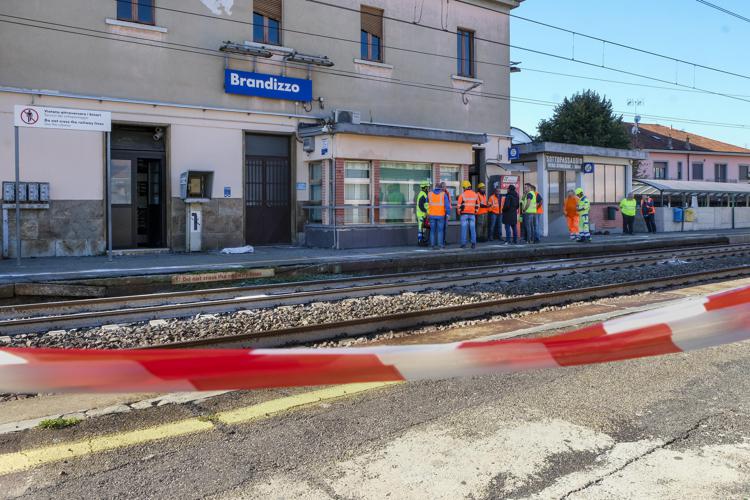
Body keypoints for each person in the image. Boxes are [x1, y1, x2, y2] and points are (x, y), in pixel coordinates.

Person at [457, 180, 479, 249]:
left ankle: (463, 244)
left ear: (464, 187)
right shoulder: (475, 194)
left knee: (464, 229)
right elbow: (478, 205)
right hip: (472, 214)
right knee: (473, 229)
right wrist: (476, 211)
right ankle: (473, 244)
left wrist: (459, 212)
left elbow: (458, 206)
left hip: (464, 214)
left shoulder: (462, 195)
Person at [427, 183, 447, 249]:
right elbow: (447, 205)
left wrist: (427, 213)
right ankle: (440, 245)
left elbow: (426, 204)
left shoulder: (429, 194)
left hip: (432, 215)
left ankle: (432, 245)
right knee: (440, 231)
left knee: (432, 231)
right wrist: (448, 213)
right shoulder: (443, 194)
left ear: (435, 187)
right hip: (441, 215)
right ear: (440, 187)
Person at [416, 180, 430, 246]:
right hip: (421, 215)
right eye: (427, 187)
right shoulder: (423, 194)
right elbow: (420, 205)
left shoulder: (423, 194)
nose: (428, 188)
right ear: (424, 187)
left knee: (422, 229)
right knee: (420, 229)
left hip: (423, 215)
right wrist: (426, 211)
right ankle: (420, 241)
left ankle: (422, 241)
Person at [442, 182, 452, 246]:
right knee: (441, 228)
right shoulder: (441, 193)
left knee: (445, 228)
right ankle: (442, 241)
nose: (444, 187)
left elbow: (448, 203)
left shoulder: (447, 193)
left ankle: (444, 240)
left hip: (446, 212)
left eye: (445, 186)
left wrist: (448, 213)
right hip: (441, 213)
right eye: (443, 186)